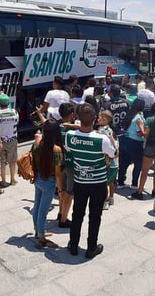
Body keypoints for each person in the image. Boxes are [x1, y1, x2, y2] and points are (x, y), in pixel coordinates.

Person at [65, 103, 116, 259]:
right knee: (95, 216)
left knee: (77, 214)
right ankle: (91, 247)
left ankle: (73, 245)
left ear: (78, 118)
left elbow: (69, 153)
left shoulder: (70, 136)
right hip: (98, 183)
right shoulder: (102, 139)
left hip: (80, 182)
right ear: (94, 119)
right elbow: (113, 154)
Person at [30, 120, 64, 248]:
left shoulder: (38, 144)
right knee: (43, 211)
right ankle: (42, 238)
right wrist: (60, 190)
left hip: (38, 178)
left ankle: (38, 231)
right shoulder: (56, 149)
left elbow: (37, 138)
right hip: (49, 181)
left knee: (37, 206)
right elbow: (58, 173)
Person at [118, 98, 146, 195]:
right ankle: (134, 183)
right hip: (136, 143)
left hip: (125, 140)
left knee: (123, 163)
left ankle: (120, 182)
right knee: (137, 164)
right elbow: (139, 133)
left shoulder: (130, 114)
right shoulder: (139, 117)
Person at [0, 94, 19, 188]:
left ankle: (3, 181)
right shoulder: (14, 112)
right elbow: (17, 122)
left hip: (1, 141)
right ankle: (13, 180)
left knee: (2, 162)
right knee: (12, 161)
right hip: (12, 140)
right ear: (8, 103)